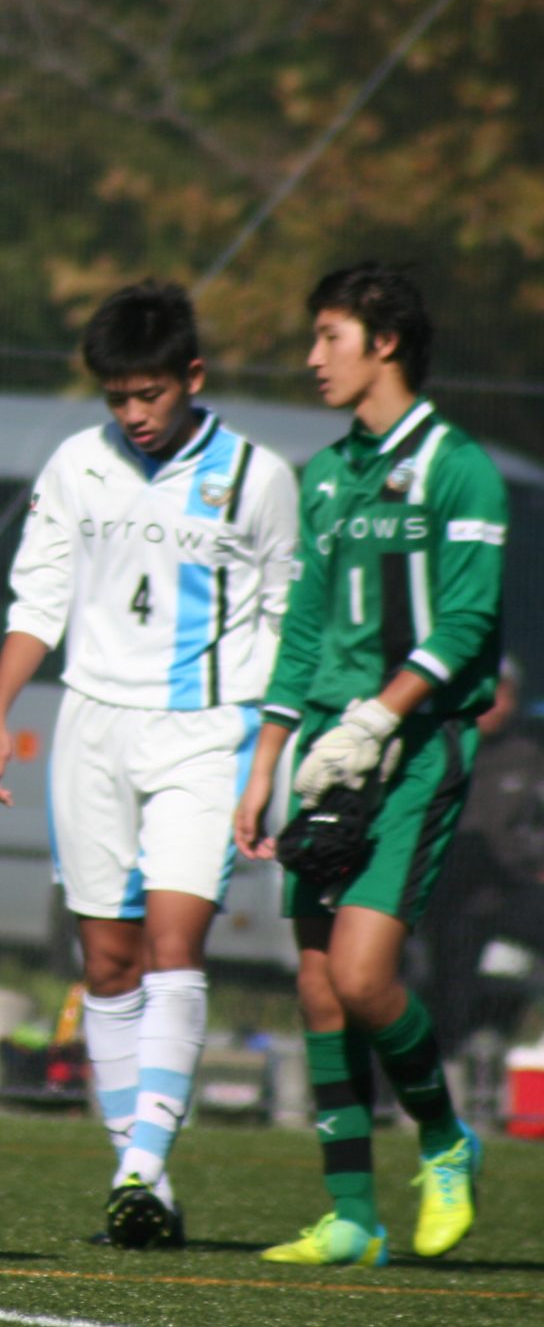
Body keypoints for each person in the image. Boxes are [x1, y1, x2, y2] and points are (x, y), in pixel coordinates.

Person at [0, 281, 298, 1247]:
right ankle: (134, 1176)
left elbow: (286, 622)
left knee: (172, 942)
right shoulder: (78, 465)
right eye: (117, 397)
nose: (134, 415)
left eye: (148, 394)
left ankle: (145, 1162)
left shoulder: (259, 477)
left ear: (192, 378)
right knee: (105, 962)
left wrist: (274, 752)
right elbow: (39, 599)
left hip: (204, 731)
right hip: (93, 728)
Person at [235, 263, 504, 1268]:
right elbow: (301, 629)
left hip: (414, 750)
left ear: (382, 343)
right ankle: (349, 1213)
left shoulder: (456, 467)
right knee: (313, 990)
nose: (311, 359)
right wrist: (265, 760)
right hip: (323, 755)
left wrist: (379, 718)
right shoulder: (322, 475)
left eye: (328, 336)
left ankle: (442, 1139)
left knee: (360, 976)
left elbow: (471, 618)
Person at [419, 659, 544, 1046]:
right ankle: (451, 1057)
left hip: (517, 890)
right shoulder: (437, 753)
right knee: (446, 969)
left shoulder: (530, 754)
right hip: (452, 897)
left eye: (503, 692)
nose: (494, 703)